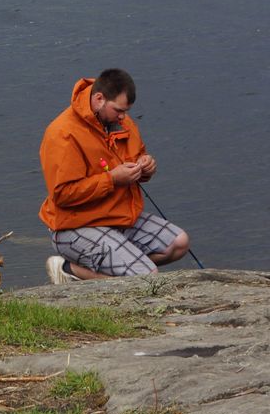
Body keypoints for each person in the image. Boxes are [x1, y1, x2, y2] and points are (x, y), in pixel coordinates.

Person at [39, 69, 190, 283]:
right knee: (147, 277)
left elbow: (138, 155)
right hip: (75, 227)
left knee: (179, 243)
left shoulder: (122, 122)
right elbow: (63, 194)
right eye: (118, 110)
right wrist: (112, 179)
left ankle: (123, 268)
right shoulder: (62, 133)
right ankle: (68, 270)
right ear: (99, 99)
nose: (122, 116)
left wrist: (145, 166)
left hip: (116, 217)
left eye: (126, 111)